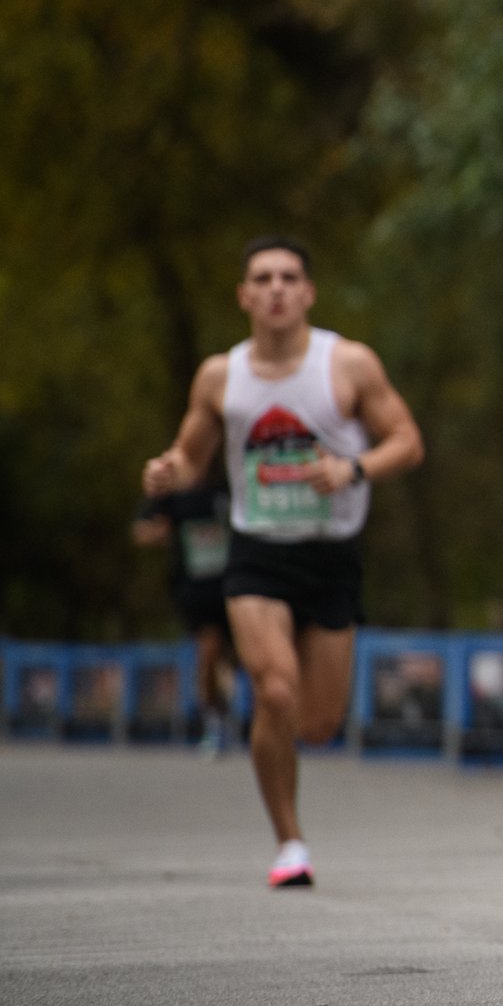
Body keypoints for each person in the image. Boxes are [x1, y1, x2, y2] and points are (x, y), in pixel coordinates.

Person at [140, 237, 424, 888]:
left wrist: (352, 468)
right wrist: (167, 471)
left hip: (331, 554)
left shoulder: (347, 364)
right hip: (257, 550)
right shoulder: (221, 375)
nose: (275, 288)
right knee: (276, 688)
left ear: (308, 292)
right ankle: (289, 842)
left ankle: (276, 713)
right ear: (243, 295)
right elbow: (191, 456)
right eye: (261, 278)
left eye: (288, 277)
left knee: (318, 722)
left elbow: (407, 441)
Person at [131, 471, 237, 755]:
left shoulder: (228, 481)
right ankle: (214, 719)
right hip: (197, 589)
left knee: (241, 658)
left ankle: (237, 709)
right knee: (209, 653)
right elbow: (140, 529)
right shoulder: (172, 490)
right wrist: (157, 533)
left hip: (238, 584)